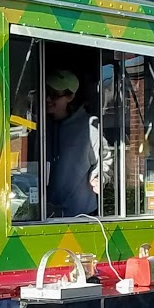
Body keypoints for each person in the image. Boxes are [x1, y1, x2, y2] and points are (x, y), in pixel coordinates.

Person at [43, 69, 101, 217]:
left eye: (55, 95)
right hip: (45, 212)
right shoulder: (39, 125)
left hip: (80, 213)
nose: (48, 99)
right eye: (46, 92)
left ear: (70, 96)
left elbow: (103, 159)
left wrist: (97, 177)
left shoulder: (89, 125)